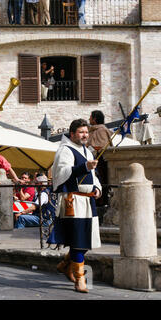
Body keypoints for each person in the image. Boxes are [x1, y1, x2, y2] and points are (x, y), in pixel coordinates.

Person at [50, 118, 102, 293]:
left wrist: (97, 189)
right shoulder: (65, 150)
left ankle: (66, 264)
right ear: (72, 134)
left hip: (88, 200)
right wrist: (83, 167)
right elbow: (61, 173)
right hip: (74, 200)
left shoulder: (88, 152)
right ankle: (80, 279)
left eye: (86, 132)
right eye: (81, 132)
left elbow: (93, 177)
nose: (84, 135)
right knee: (79, 241)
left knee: (87, 240)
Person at [88, 110, 112, 207]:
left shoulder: (101, 130)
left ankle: (102, 201)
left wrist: (92, 148)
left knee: (101, 180)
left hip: (100, 160)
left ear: (94, 119)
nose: (89, 119)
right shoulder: (93, 130)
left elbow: (103, 146)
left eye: (90, 117)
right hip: (93, 160)